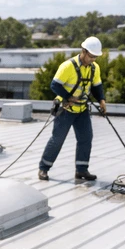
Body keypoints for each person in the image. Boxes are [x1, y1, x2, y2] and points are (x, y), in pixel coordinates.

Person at [38, 36, 107, 181]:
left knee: (86, 138)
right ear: (83, 51)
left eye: (96, 57)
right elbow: (55, 85)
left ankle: (81, 170)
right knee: (57, 139)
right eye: (91, 56)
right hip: (65, 109)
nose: (93, 59)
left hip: (81, 110)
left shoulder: (95, 68)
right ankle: (43, 169)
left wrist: (102, 100)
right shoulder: (68, 66)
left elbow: (97, 86)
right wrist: (68, 97)